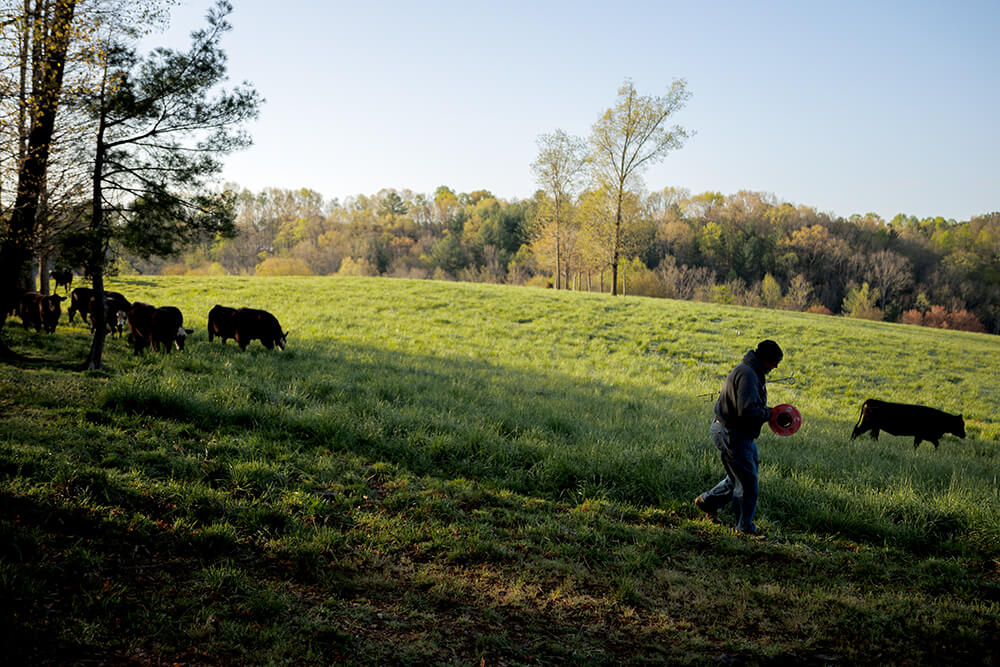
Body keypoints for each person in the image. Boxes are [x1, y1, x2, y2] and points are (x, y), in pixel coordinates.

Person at [694, 339, 783, 536]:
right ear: (765, 359)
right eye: (775, 362)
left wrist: (768, 411)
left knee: (740, 475)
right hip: (732, 432)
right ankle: (744, 529)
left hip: (733, 431)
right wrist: (770, 414)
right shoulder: (748, 375)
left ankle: (708, 502)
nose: (776, 366)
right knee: (747, 482)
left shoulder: (750, 370)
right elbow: (747, 410)